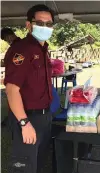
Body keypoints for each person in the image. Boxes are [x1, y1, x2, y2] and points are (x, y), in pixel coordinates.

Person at [4, 4, 55, 173]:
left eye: (49, 24)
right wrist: (24, 123)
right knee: (24, 166)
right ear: (28, 25)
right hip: (27, 118)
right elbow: (11, 90)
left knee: (38, 162)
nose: (45, 27)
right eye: (40, 23)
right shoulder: (22, 50)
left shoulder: (43, 49)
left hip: (44, 117)